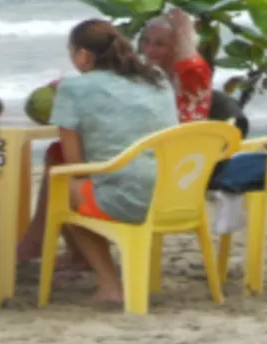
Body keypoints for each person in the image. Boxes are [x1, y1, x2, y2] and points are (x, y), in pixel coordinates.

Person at [43, 18, 177, 304]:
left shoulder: (72, 89)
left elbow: (74, 164)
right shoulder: (156, 77)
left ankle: (109, 284)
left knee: (63, 187)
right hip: (174, 194)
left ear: (83, 55)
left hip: (128, 201)